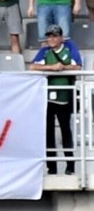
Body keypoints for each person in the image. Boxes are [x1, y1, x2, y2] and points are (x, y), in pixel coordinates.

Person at [30, 24, 82, 176]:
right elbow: (32, 67)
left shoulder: (69, 48)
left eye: (54, 36)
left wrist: (63, 68)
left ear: (60, 37)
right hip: (47, 99)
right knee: (48, 134)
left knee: (66, 132)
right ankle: (51, 166)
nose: (51, 39)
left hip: (64, 98)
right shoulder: (44, 51)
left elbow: (78, 66)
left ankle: (70, 166)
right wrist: (51, 67)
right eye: (49, 36)